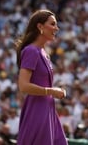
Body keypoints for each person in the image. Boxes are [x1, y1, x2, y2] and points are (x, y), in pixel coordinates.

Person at [15, 9, 67, 145]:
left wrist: (54, 92)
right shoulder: (31, 51)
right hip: (37, 111)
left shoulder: (43, 52)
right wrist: (51, 91)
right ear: (40, 27)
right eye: (53, 24)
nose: (57, 28)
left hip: (48, 109)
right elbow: (23, 86)